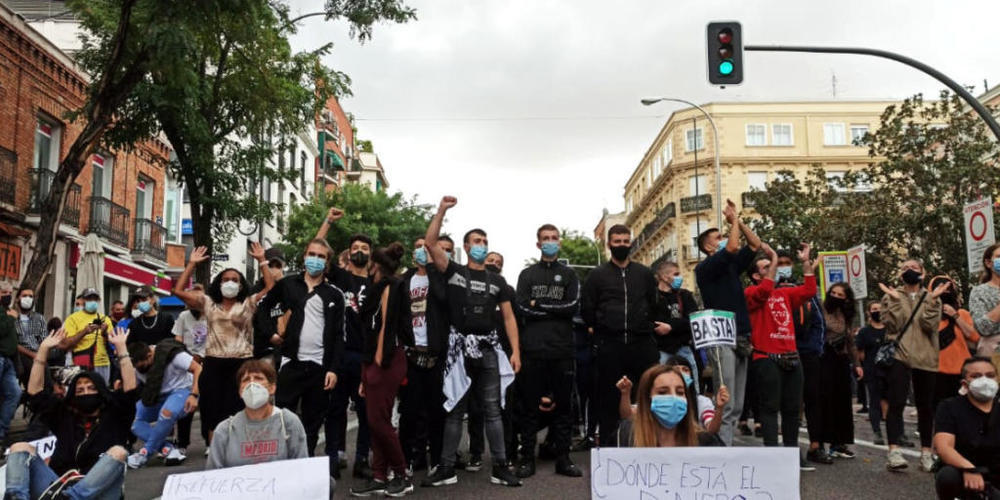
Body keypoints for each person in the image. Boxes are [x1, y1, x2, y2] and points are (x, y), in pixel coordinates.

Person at [420, 196, 522, 488]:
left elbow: (509, 318)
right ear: (466, 247)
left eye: (485, 241)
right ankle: (446, 468)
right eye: (477, 241)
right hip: (459, 350)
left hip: (489, 349)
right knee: (454, 410)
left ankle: (500, 466)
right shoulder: (453, 270)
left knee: (493, 410)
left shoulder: (498, 281)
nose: (482, 245)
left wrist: (515, 352)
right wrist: (441, 210)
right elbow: (430, 242)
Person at [5, 327, 135, 500]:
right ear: (73, 396)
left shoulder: (115, 415)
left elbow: (130, 391)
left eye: (91, 388)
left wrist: (121, 348)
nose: (86, 393)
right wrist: (43, 350)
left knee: (119, 452)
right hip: (59, 488)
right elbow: (35, 393)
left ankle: (72, 497)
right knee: (19, 447)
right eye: (80, 390)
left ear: (102, 393)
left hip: (99, 492)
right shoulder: (64, 415)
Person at [173, 242, 275, 448]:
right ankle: (215, 451)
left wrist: (262, 260)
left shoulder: (248, 304)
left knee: (240, 409)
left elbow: (271, 288)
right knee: (213, 413)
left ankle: (239, 451)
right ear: (219, 284)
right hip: (213, 364)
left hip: (242, 364)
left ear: (241, 285)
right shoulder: (208, 303)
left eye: (235, 280)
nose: (230, 283)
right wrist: (191, 264)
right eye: (226, 279)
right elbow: (178, 290)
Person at [259, 238, 345, 460]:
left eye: (321, 256)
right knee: (282, 419)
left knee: (312, 424)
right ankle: (281, 464)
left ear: (327, 262)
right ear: (304, 256)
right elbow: (263, 308)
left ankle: (305, 465)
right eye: (312, 254)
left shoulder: (334, 294)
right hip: (291, 363)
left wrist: (333, 369)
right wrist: (271, 334)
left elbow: (338, 335)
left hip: (319, 367)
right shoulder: (288, 285)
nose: (315, 259)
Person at [580, 223, 661, 448]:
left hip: (641, 345)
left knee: (645, 396)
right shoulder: (596, 276)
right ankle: (609, 449)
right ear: (609, 244)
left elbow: (654, 304)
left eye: (626, 241)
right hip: (610, 346)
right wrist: (602, 327)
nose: (622, 245)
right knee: (608, 399)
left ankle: (647, 445)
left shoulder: (644, 274)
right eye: (617, 242)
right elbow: (587, 309)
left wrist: (644, 324)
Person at [514, 224, 583, 478]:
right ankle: (526, 459)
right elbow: (522, 307)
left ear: (559, 242)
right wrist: (554, 308)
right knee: (529, 407)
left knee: (564, 407)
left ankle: (563, 459)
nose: (550, 241)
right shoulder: (526, 274)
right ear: (538, 243)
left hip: (562, 350)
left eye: (554, 238)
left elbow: (572, 306)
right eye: (546, 238)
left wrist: (540, 305)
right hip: (533, 350)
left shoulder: (570, 275)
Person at [693, 199, 762, 445]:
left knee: (738, 403)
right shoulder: (706, 268)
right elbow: (732, 247)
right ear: (708, 246)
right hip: (721, 337)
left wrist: (738, 222)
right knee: (726, 399)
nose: (723, 238)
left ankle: (727, 446)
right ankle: (720, 448)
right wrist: (732, 222)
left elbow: (755, 244)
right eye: (718, 237)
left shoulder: (731, 267)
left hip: (740, 334)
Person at [744, 243, 817, 470]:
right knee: (769, 408)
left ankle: (792, 454)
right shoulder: (750, 293)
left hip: (791, 356)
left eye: (773, 265)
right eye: (766, 267)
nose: (775, 269)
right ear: (756, 276)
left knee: (792, 409)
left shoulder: (785, 293)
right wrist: (774, 258)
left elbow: (809, 291)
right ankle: (773, 456)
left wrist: (806, 263)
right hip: (766, 357)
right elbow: (764, 291)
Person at [350, 243, 415, 497]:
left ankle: (401, 474)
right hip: (372, 360)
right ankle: (379, 475)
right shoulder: (376, 290)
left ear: (376, 265)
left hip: (387, 358)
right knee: (375, 421)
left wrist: (378, 361)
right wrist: (365, 374)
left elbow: (387, 326)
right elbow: (370, 328)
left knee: (379, 421)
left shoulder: (391, 286)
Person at [316, 208, 374, 480]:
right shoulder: (339, 277)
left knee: (365, 411)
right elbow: (318, 249)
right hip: (338, 356)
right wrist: (328, 222)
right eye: (355, 248)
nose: (359, 251)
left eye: (364, 248)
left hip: (364, 356)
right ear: (348, 254)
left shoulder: (377, 284)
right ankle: (331, 458)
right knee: (335, 410)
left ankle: (362, 459)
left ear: (371, 254)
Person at [880, 259, 947, 472]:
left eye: (915, 268)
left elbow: (930, 326)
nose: (910, 271)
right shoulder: (891, 295)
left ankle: (926, 453)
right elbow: (893, 325)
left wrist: (932, 301)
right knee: (896, 402)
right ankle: (894, 451)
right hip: (899, 355)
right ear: (900, 274)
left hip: (926, 357)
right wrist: (895, 301)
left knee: (925, 406)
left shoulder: (932, 297)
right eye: (905, 268)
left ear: (923, 273)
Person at [398, 237, 449, 475]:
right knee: (409, 411)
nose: (422, 251)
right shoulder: (403, 280)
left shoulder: (441, 278)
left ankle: (436, 461)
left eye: (426, 247)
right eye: (418, 247)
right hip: (410, 353)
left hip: (435, 354)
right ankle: (406, 460)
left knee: (436, 411)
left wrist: (431, 266)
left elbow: (443, 298)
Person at [205, 359, 308, 469]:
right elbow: (213, 472)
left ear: (272, 388)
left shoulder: (288, 423)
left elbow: (301, 468)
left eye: (258, 378)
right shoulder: (225, 430)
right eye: (246, 380)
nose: (252, 384)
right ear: (240, 392)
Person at [125, 338, 202, 468]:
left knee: (166, 413)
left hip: (182, 391)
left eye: (143, 366)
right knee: (132, 419)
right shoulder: (136, 366)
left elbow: (198, 368)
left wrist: (194, 395)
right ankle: (169, 449)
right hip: (156, 395)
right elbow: (132, 388)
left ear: (150, 355)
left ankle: (145, 453)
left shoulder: (173, 355)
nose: (141, 370)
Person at [932, 356, 1000, 499]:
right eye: (976, 376)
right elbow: (943, 447)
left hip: (996, 473)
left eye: (990, 375)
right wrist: (970, 469)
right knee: (947, 476)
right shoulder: (949, 407)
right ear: (964, 383)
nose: (985, 380)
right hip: (963, 472)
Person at [817, 282, 861, 460]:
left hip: (841, 359)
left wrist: (857, 364)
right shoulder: (821, 308)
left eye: (840, 295)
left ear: (846, 299)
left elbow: (850, 341)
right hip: (823, 357)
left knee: (842, 402)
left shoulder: (846, 314)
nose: (835, 296)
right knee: (824, 400)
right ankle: (819, 443)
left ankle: (839, 443)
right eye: (833, 293)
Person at [614, 365, 701, 447]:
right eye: (662, 392)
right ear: (647, 398)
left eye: (680, 392)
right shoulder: (629, 435)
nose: (673, 398)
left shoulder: (702, 440)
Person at [931, 275, 980, 411]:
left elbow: (974, 336)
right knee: (939, 411)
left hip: (961, 371)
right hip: (935, 371)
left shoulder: (962, 314)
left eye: (949, 288)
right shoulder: (928, 316)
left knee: (962, 410)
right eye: (940, 288)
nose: (945, 292)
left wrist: (955, 315)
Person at [651, 261, 700, 382]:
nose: (680, 278)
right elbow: (653, 322)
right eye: (676, 274)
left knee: (691, 386)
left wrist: (670, 326)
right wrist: (679, 324)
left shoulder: (685, 295)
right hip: (662, 351)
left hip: (684, 349)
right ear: (664, 277)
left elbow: (694, 319)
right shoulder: (652, 297)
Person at [62, 288, 115, 383]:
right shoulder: (72, 318)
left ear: (99, 300)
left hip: (103, 363)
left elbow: (114, 342)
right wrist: (84, 332)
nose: (92, 301)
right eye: (89, 299)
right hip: (81, 363)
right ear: (83, 300)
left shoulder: (105, 319)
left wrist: (104, 333)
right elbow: (66, 343)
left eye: (95, 299)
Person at [855, 301, 888, 445]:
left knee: (891, 401)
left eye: (880, 308)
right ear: (869, 312)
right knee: (874, 401)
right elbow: (860, 353)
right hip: (872, 371)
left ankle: (897, 433)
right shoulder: (864, 332)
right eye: (874, 309)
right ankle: (877, 432)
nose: (877, 311)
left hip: (889, 370)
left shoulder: (890, 330)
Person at [252, 247, 287, 367]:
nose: (274, 269)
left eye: (278, 265)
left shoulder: (289, 288)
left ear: (283, 266)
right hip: (262, 348)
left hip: (286, 349)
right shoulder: (256, 290)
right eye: (271, 265)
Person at [969, 243, 1000, 371]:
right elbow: (983, 328)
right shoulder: (979, 292)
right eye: (999, 256)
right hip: (994, 357)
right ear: (988, 263)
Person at [14, 286, 51, 385]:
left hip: (38, 356)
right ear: (17, 298)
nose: (28, 299)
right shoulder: (12, 318)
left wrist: (41, 355)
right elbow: (13, 343)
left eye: (30, 296)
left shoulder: (39, 318)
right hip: (20, 356)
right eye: (24, 296)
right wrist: (33, 355)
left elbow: (45, 341)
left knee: (46, 379)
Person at [0, 282, 21, 447]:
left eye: (9, 292)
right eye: (3, 292)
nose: (7, 295)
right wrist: (11, 318)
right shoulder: (7, 314)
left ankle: (1, 432)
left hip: (8, 360)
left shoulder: (7, 311)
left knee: (14, 393)